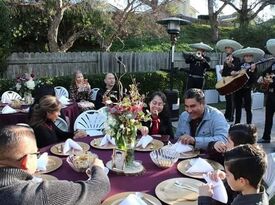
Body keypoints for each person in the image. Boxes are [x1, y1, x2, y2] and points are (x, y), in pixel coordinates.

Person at [0, 125, 110, 205]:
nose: (38, 157)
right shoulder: (39, 194)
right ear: (27, 161)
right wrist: (98, 167)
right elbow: (99, 188)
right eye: (36, 154)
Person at [198, 144, 268, 205]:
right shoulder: (254, 190)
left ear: (241, 181)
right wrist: (225, 178)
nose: (225, 175)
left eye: (227, 174)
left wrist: (204, 199)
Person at [232, 47, 264, 124]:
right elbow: (232, 72)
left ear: (252, 57)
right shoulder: (239, 64)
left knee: (248, 108)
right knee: (238, 108)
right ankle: (237, 124)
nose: (248, 57)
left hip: (247, 89)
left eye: (250, 56)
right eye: (246, 56)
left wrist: (252, 71)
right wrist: (238, 72)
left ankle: (249, 125)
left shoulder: (254, 67)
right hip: (238, 89)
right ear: (244, 57)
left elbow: (253, 80)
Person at [216, 39, 242, 122]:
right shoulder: (226, 58)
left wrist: (230, 64)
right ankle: (227, 114)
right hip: (226, 80)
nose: (226, 49)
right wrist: (222, 71)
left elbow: (237, 69)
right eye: (226, 48)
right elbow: (226, 71)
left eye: (228, 48)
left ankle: (231, 116)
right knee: (227, 98)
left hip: (232, 81)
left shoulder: (236, 58)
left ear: (232, 49)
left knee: (231, 99)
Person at [257, 39, 275, 143]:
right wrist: (262, 78)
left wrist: (271, 81)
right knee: (268, 117)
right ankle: (266, 137)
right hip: (271, 94)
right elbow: (264, 72)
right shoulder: (273, 64)